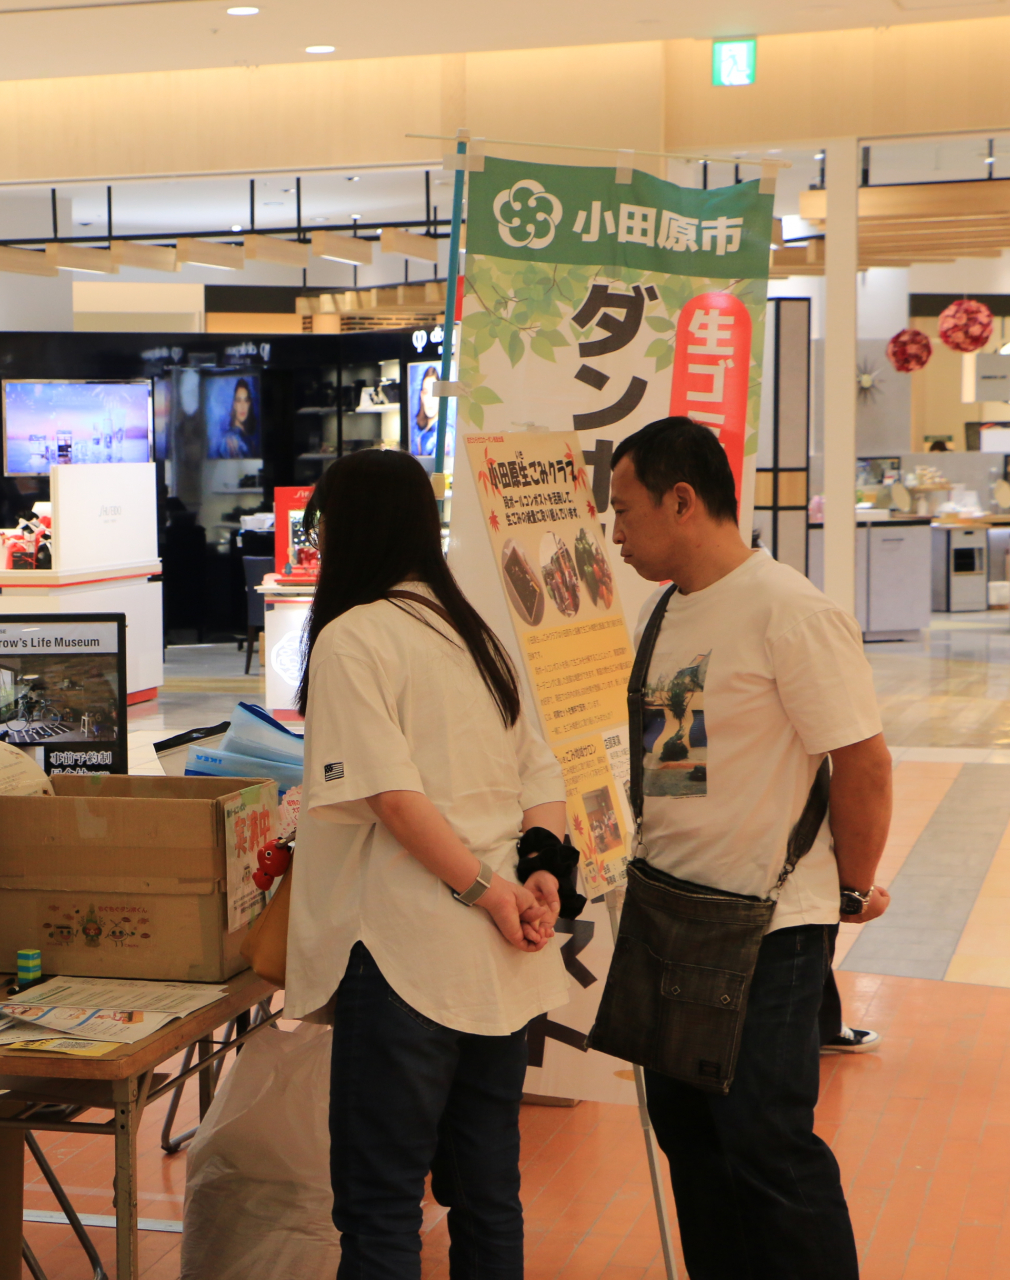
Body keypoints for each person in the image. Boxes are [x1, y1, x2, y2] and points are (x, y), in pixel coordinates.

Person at [607, 416, 893, 1279]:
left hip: (769, 928)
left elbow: (864, 761)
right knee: (691, 1139)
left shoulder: (789, 610)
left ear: (682, 501)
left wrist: (851, 887)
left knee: (766, 1145)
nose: (614, 532)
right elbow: (676, 768)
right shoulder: (668, 609)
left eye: (624, 509)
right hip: (672, 916)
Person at [284, 448, 571, 1280]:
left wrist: (488, 894)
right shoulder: (474, 632)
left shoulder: (353, 637)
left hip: (407, 954)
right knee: (488, 1194)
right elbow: (539, 774)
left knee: (380, 1205)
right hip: (500, 963)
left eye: (320, 527)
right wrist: (540, 873)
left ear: (347, 529)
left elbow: (396, 802)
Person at [211, 376, 258, 458]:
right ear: (234, 404)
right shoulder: (229, 439)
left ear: (249, 404)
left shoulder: (249, 440)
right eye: (239, 401)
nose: (242, 406)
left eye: (246, 401)